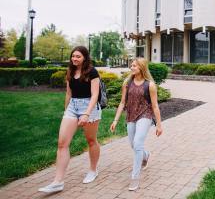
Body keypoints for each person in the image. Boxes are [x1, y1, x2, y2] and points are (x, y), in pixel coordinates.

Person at [39, 46, 102, 193]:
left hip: (89, 106)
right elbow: (68, 93)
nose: (75, 59)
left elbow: (95, 94)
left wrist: (86, 114)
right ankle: (58, 181)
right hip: (73, 107)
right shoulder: (70, 71)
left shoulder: (92, 72)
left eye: (78, 56)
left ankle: (93, 170)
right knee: (62, 143)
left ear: (85, 58)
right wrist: (66, 110)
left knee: (91, 140)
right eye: (73, 56)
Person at [110, 58, 163, 191]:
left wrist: (159, 125)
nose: (131, 68)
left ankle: (135, 177)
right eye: (131, 65)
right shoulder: (127, 83)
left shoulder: (149, 85)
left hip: (145, 116)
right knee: (133, 144)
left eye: (134, 66)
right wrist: (115, 120)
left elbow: (155, 106)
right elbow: (122, 103)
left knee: (138, 143)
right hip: (131, 116)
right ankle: (146, 155)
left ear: (142, 68)